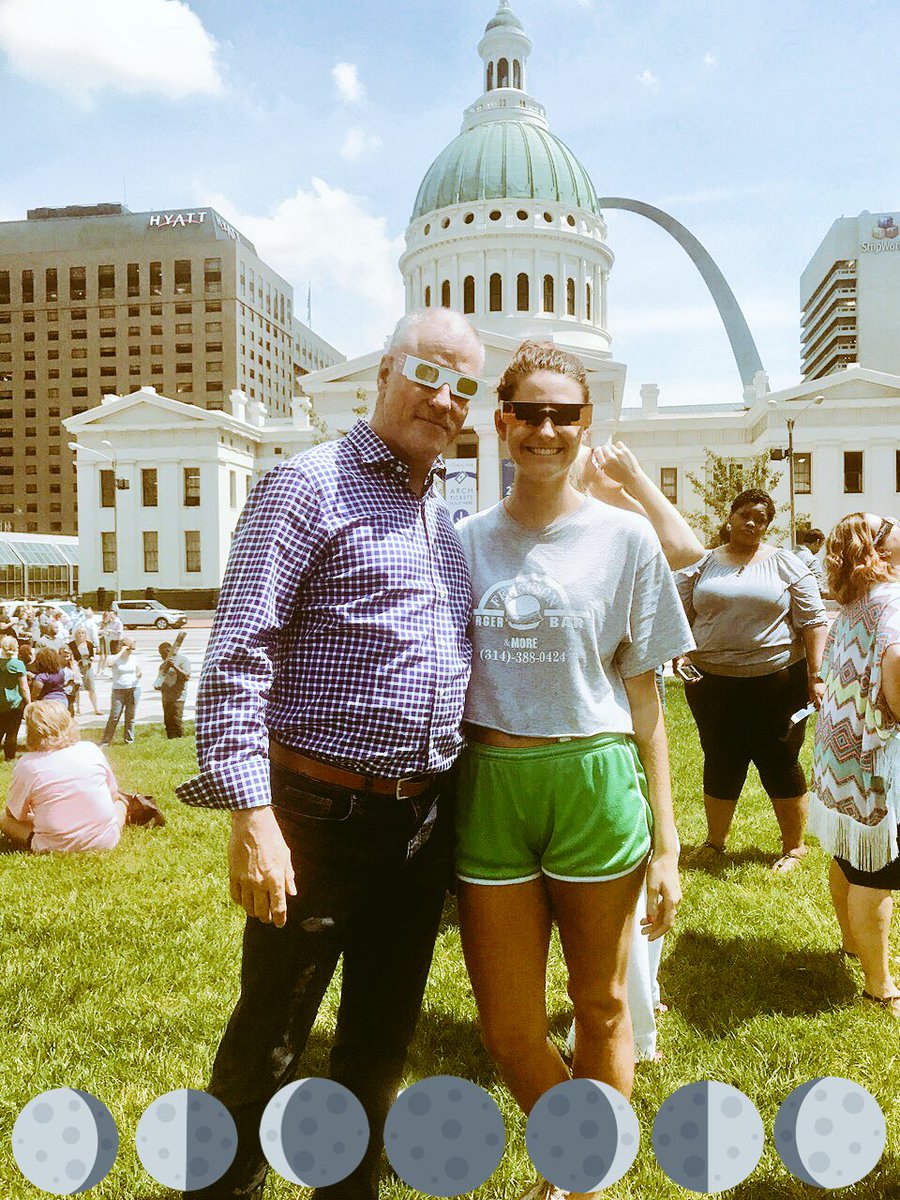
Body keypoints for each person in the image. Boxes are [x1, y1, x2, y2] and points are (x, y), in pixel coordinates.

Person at [176, 308, 485, 1200]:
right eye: (428, 374)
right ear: (383, 373)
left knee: (378, 1048)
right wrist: (252, 815)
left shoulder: (440, 516)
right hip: (317, 815)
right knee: (269, 1043)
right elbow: (237, 653)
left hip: (419, 823)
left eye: (464, 387)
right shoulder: (306, 486)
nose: (444, 399)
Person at [454, 341, 692, 1200]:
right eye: (531, 413)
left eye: (566, 415)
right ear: (502, 422)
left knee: (602, 1004)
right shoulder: (462, 543)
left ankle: (580, 1181)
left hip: (596, 780)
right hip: (491, 782)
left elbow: (646, 697)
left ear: (588, 425)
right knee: (510, 1026)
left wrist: (668, 842)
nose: (547, 430)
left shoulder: (626, 539)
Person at [564, 441, 705, 1064]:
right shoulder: (561, 521)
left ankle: (633, 1007)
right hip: (589, 717)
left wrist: (635, 478)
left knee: (641, 860)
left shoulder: (623, 522)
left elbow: (686, 549)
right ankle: (622, 1006)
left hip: (633, 707)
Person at [676, 489, 828, 872]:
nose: (751, 523)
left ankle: (794, 848)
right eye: (745, 514)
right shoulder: (702, 563)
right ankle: (714, 843)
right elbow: (677, 612)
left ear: (767, 526)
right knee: (720, 758)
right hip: (711, 684)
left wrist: (817, 676)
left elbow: (814, 621)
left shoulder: (786, 563)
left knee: (780, 761)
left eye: (760, 519)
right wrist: (679, 652)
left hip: (777, 683)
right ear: (730, 517)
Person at [808, 514, 900, 1014]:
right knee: (877, 871)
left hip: (841, 753)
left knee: (849, 854)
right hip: (877, 756)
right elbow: (896, 663)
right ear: (879, 549)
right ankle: (879, 985)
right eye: (890, 524)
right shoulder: (894, 600)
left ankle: (851, 942)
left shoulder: (853, 603)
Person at [0, 701, 162, 852]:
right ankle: (127, 806)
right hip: (105, 841)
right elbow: (113, 796)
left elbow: (13, 814)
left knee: (3, 818)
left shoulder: (27, 764)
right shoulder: (90, 749)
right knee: (120, 801)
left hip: (53, 846)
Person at [99, 637, 142, 746]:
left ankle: (129, 740)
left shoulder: (134, 658)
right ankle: (106, 741)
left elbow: (138, 671)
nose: (130, 651)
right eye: (129, 649)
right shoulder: (114, 658)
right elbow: (109, 664)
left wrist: (139, 674)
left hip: (134, 688)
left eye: (132, 649)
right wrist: (122, 651)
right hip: (118, 690)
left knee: (130, 716)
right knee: (115, 715)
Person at [0, 634, 30, 760]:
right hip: (15, 703)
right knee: (12, 733)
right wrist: (29, 702)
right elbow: (24, 687)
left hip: (1, 702)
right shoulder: (18, 664)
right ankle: (9, 758)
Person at [154, 640, 191, 738]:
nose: (161, 656)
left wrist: (174, 666)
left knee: (176, 721)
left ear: (168, 651)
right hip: (166, 697)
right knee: (168, 723)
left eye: (162, 654)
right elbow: (160, 679)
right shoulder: (163, 665)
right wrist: (158, 685)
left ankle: (180, 740)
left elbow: (186, 677)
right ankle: (171, 740)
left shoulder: (183, 660)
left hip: (177, 697)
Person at [70, 625, 101, 715]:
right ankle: (78, 708)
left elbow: (92, 655)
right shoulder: (71, 645)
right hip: (77, 668)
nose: (81, 635)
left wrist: (91, 659)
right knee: (76, 689)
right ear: (76, 634)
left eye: (83, 633)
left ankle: (96, 708)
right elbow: (70, 657)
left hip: (88, 667)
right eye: (79, 633)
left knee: (92, 688)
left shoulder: (89, 644)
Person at [795, 527, 828, 595]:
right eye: (821, 545)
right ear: (817, 542)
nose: (819, 550)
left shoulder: (789, 554)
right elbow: (818, 590)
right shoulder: (812, 560)